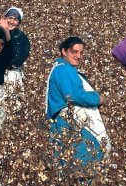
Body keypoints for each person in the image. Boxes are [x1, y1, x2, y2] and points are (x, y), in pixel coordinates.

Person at [45, 36, 111, 166]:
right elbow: (75, 95)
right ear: (64, 51)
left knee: (67, 160)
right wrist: (98, 98)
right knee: (85, 159)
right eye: (74, 52)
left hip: (64, 121)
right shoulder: (64, 70)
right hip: (70, 121)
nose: (78, 56)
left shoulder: (61, 68)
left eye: (81, 53)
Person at [0, 6, 31, 105]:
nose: (12, 22)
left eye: (15, 19)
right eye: (10, 18)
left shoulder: (22, 38)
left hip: (12, 74)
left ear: (19, 23)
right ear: (5, 19)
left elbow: (16, 59)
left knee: (12, 103)